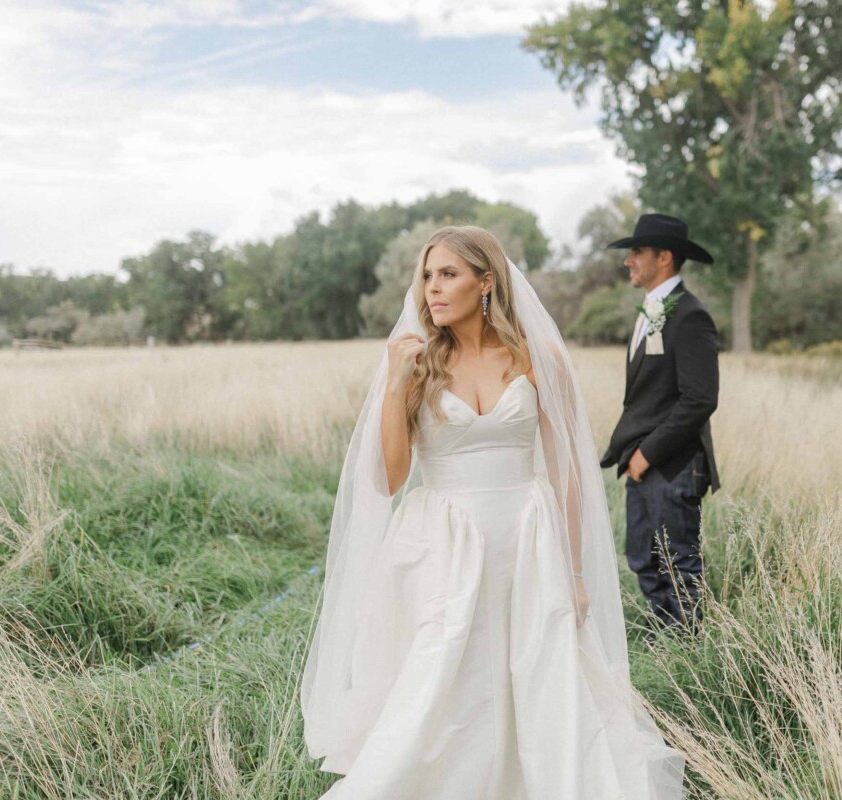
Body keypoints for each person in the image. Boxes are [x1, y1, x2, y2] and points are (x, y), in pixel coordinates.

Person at [301, 225, 684, 799]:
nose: (432, 287)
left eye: (448, 274)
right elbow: (389, 478)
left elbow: (567, 474)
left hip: (528, 538)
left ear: (486, 282)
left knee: (538, 672)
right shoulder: (417, 362)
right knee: (445, 674)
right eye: (427, 275)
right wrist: (394, 385)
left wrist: (575, 572)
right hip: (443, 542)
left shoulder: (538, 356)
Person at [600, 213, 721, 633]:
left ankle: (689, 660)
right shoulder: (653, 310)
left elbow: (700, 399)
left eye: (637, 252)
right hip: (645, 463)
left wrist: (647, 455)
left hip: (673, 466)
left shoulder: (689, 316)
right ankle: (665, 648)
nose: (629, 260)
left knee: (678, 567)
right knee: (645, 561)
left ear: (664, 257)